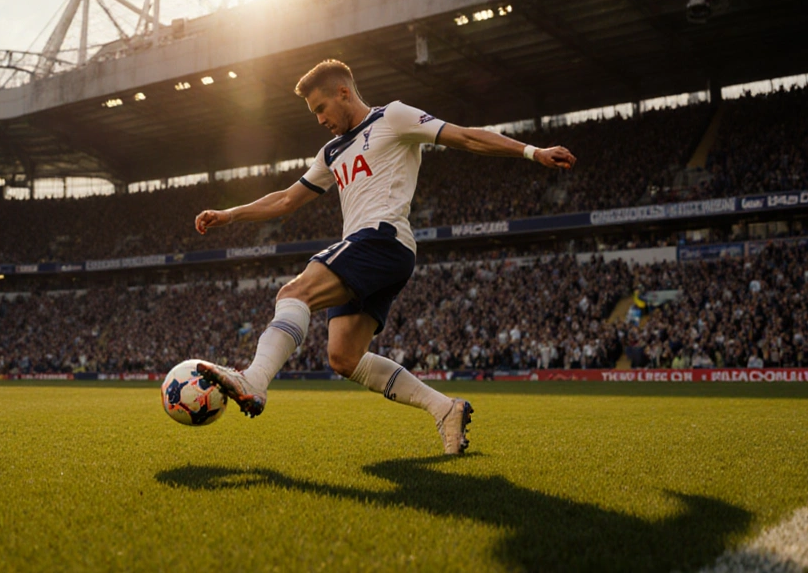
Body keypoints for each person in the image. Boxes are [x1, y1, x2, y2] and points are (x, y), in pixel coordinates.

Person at [192, 59, 576, 454]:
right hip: (378, 253)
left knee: (294, 292)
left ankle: (254, 381)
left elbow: (463, 137)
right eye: (314, 114)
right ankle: (445, 409)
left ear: (344, 92)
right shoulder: (332, 151)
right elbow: (288, 198)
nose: (319, 119)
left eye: (321, 108)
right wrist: (231, 214)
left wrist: (533, 152)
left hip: (381, 239)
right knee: (343, 357)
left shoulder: (392, 117)